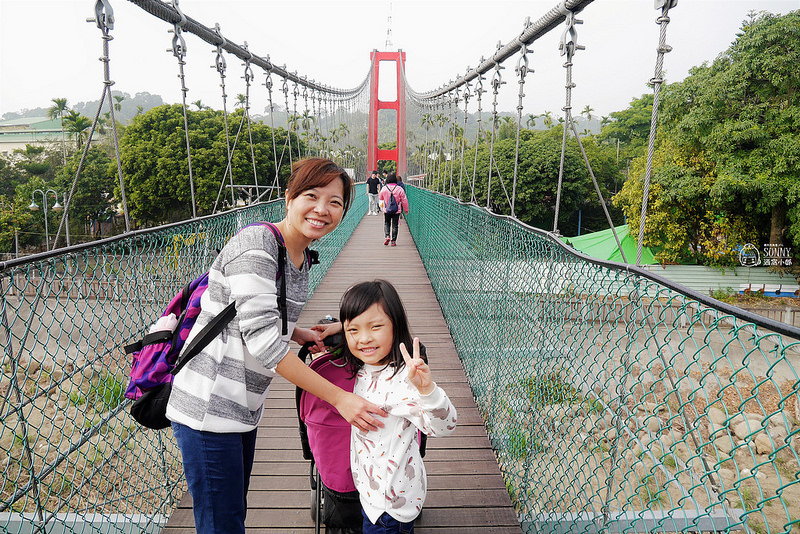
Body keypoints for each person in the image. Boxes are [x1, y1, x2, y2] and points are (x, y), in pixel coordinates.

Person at [166, 158, 388, 534]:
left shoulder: (298, 253)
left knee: (232, 513)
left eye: (335, 202)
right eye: (311, 196)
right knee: (223, 524)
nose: (322, 210)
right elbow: (266, 346)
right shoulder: (258, 245)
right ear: (289, 197)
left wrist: (297, 332)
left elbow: (254, 313)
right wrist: (341, 399)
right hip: (208, 409)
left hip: (241, 407)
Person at [339, 280, 457, 534]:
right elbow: (357, 335)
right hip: (371, 496)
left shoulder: (404, 380)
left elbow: (445, 426)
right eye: (353, 330)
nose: (364, 339)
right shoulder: (362, 367)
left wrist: (427, 390)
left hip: (389, 507)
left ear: (396, 326)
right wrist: (335, 331)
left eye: (376, 327)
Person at [379, 173, 409, 247]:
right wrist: (406, 209)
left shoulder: (384, 188)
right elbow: (404, 200)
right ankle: (393, 241)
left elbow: (380, 199)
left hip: (387, 209)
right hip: (396, 210)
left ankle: (387, 236)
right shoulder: (399, 189)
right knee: (395, 225)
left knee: (387, 223)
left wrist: (381, 208)